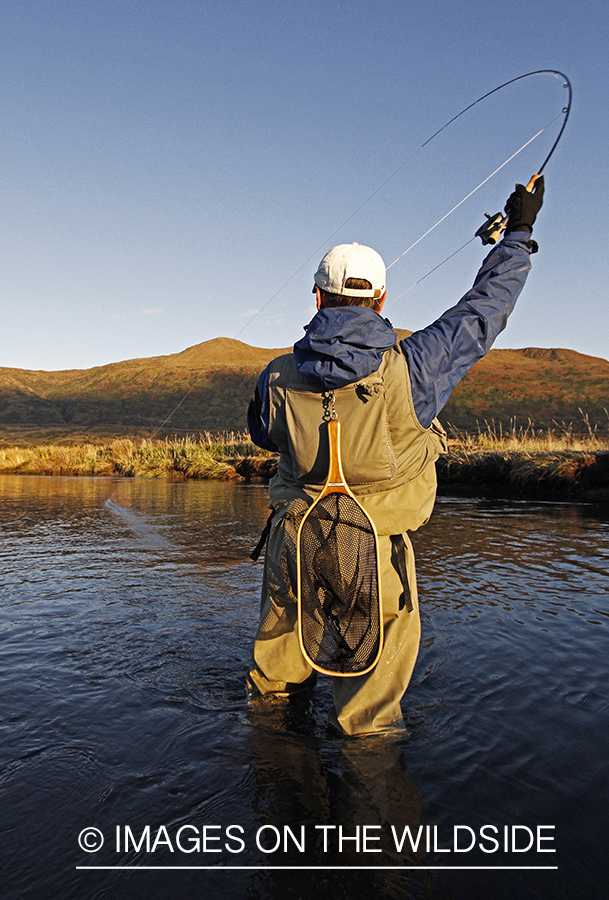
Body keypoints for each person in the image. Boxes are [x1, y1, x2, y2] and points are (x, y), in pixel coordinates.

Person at [246, 178, 544, 736]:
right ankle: (371, 810)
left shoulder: (274, 378)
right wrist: (518, 234)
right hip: (376, 554)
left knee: (273, 694)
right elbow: (484, 311)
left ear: (317, 297)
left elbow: (265, 437)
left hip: (294, 543)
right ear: (381, 299)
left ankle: (274, 796)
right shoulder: (419, 365)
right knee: (369, 721)